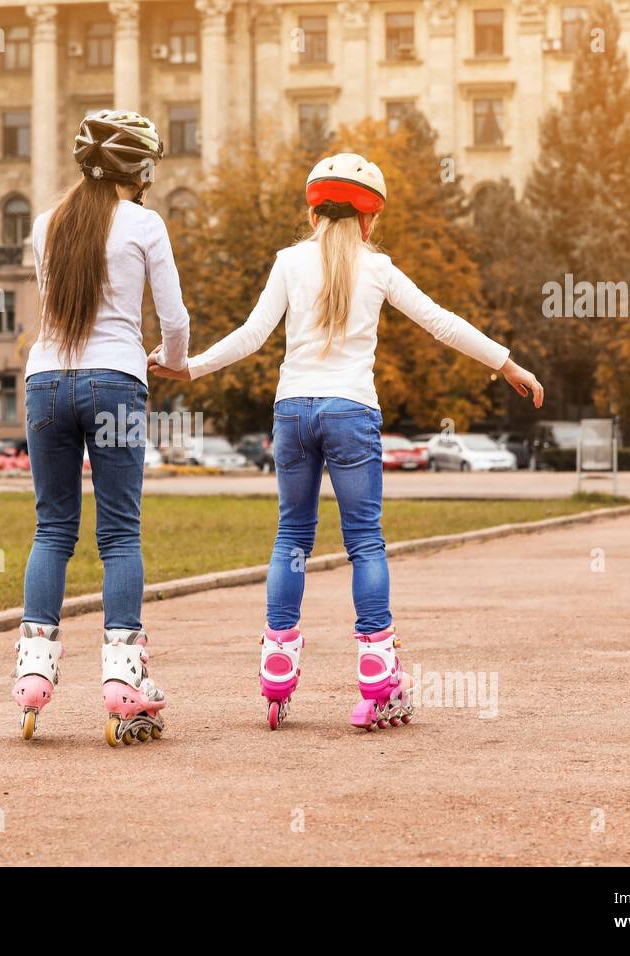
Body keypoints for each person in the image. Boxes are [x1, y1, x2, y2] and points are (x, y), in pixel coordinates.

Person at [150, 153, 543, 731]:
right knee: (365, 542)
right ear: (368, 221)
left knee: (291, 535)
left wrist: (193, 367)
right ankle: (379, 676)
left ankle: (278, 664)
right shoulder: (378, 269)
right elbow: (441, 321)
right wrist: (507, 363)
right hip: (352, 411)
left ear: (313, 216)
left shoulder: (288, 262)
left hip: (293, 410)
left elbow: (253, 335)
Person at [11, 110, 190, 746]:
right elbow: (174, 319)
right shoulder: (145, 224)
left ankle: (34, 675)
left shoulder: (45, 224)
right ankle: (123, 682)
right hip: (115, 383)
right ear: (139, 170)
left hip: (45, 385)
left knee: (52, 527)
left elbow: (49, 303)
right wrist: (172, 362)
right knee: (119, 531)